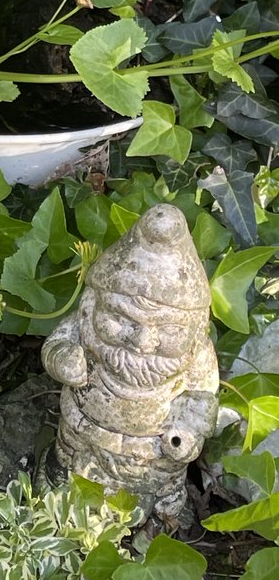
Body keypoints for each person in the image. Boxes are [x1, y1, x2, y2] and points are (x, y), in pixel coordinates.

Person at [41, 204, 219, 519]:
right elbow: (55, 346)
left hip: (153, 450)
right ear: (91, 305)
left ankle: (156, 507)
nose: (142, 343)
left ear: (195, 328)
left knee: (158, 485)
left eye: (169, 330)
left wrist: (188, 434)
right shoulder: (84, 324)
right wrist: (62, 358)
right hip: (83, 429)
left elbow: (201, 399)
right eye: (122, 320)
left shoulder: (197, 354)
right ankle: (59, 486)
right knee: (67, 463)